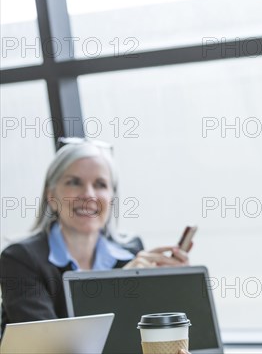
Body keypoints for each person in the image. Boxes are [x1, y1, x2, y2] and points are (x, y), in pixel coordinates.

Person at [0, 138, 189, 335]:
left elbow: (137, 335)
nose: (89, 195)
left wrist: (173, 288)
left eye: (100, 184)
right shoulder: (20, 259)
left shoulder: (131, 251)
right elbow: (53, 345)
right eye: (74, 182)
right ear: (52, 197)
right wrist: (117, 286)